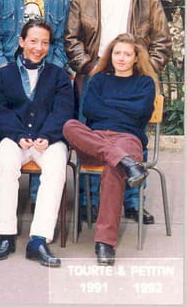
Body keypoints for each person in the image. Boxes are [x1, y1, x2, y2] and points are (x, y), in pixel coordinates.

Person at [65, 0, 171, 223]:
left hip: (132, 75)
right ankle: (89, 201)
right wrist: (90, 67)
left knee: (133, 135)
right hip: (96, 77)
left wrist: (145, 70)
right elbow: (71, 38)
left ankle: (133, 202)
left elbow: (162, 39)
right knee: (91, 134)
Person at [63, 34, 155, 266]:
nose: (121, 58)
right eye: (117, 53)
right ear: (110, 55)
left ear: (136, 58)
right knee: (70, 126)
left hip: (128, 138)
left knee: (114, 168)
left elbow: (140, 112)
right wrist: (124, 107)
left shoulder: (145, 83)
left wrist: (108, 105)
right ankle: (125, 161)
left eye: (127, 54)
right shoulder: (98, 80)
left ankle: (104, 242)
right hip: (96, 139)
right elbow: (90, 110)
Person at [0, 19, 74, 267]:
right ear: (21, 41)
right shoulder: (4, 74)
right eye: (33, 41)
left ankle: (38, 240)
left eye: (44, 43)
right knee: (5, 164)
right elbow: (0, 110)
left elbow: (63, 110)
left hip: (49, 139)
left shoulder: (58, 76)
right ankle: (5, 235)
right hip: (15, 138)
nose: (38, 47)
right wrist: (17, 135)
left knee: (56, 169)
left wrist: (47, 135)